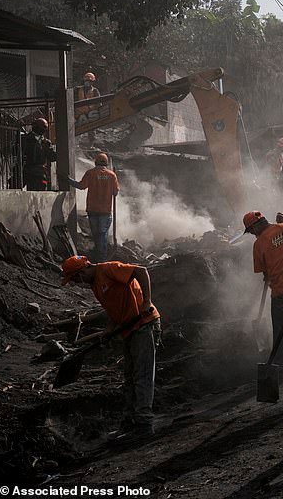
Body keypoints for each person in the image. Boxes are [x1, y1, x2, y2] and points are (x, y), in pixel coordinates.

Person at [61, 255, 161, 440]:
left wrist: (146, 302)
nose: (76, 283)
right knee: (129, 378)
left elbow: (141, 271)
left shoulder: (108, 269)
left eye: (75, 278)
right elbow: (115, 308)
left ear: (82, 271)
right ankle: (131, 422)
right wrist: (108, 330)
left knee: (142, 375)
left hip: (144, 324)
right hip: (128, 329)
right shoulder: (95, 284)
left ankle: (144, 424)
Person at [245, 211, 283, 365]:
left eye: (251, 231)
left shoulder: (259, 244)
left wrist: (268, 275)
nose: (253, 234)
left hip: (281, 293)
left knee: (280, 331)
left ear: (256, 226)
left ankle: (281, 363)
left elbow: (264, 270)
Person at [68, 153, 120, 263]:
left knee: (96, 234)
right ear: (106, 163)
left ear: (95, 162)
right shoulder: (112, 175)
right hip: (105, 211)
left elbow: (81, 186)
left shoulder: (90, 173)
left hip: (92, 210)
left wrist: (69, 181)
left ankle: (98, 256)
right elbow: (115, 192)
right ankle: (101, 258)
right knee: (102, 234)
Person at [20, 117, 56, 191]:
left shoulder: (46, 142)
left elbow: (52, 157)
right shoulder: (25, 139)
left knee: (40, 192)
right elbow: (18, 154)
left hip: (40, 174)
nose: (43, 130)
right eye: (42, 127)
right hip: (28, 172)